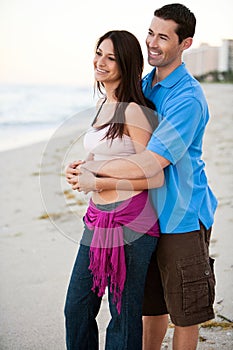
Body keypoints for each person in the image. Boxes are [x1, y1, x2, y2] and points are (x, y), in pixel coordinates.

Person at [68, 4, 218, 350]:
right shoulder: (145, 86)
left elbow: (151, 164)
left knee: (185, 313)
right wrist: (85, 164)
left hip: (181, 216)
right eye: (150, 33)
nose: (152, 42)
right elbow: (117, 147)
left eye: (163, 37)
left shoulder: (188, 98)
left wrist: (96, 176)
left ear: (186, 43)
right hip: (143, 217)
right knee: (150, 306)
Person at [64, 30, 164, 350]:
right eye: (99, 52)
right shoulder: (101, 105)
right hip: (97, 217)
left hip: (132, 221)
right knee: (77, 308)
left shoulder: (134, 110)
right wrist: (82, 168)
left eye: (111, 57)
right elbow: (105, 155)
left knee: (123, 314)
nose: (101, 61)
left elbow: (154, 177)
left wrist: (101, 182)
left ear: (127, 63)